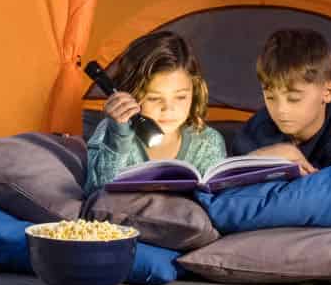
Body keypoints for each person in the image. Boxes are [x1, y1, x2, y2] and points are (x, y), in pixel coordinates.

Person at [85, 30, 227, 193]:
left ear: (194, 92)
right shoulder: (110, 133)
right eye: (153, 98)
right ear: (130, 94)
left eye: (180, 97)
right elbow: (95, 192)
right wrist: (118, 137)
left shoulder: (207, 143)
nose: (168, 108)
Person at [235, 26, 331, 171]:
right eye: (270, 97)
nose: (281, 110)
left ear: (328, 92)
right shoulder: (256, 129)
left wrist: (299, 165)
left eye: (294, 98)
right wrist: (257, 157)